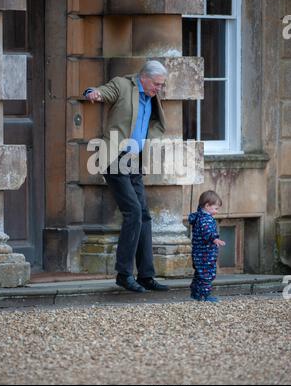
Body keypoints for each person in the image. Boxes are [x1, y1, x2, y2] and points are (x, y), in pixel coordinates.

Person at [83, 60, 169, 293]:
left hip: (135, 160)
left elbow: (153, 122)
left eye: (161, 85)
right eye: (157, 84)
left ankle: (146, 276)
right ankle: (124, 274)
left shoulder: (151, 96)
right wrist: (93, 93)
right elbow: (104, 92)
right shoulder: (123, 85)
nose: (159, 89)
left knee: (144, 216)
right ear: (145, 78)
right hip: (115, 158)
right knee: (132, 212)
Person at [188, 190, 226, 303]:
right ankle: (205, 295)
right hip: (205, 253)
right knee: (207, 274)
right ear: (207, 205)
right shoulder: (206, 219)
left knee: (199, 273)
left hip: (199, 252)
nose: (217, 211)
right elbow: (206, 232)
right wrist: (214, 239)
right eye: (215, 208)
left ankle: (196, 293)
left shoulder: (199, 217)